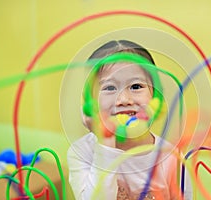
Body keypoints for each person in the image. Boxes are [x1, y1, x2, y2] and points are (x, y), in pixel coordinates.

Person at [67, 40, 193, 200]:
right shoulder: (81, 153)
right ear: (91, 103)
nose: (124, 99)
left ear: (155, 96)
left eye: (135, 86)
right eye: (110, 88)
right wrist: (105, 142)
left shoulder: (171, 157)